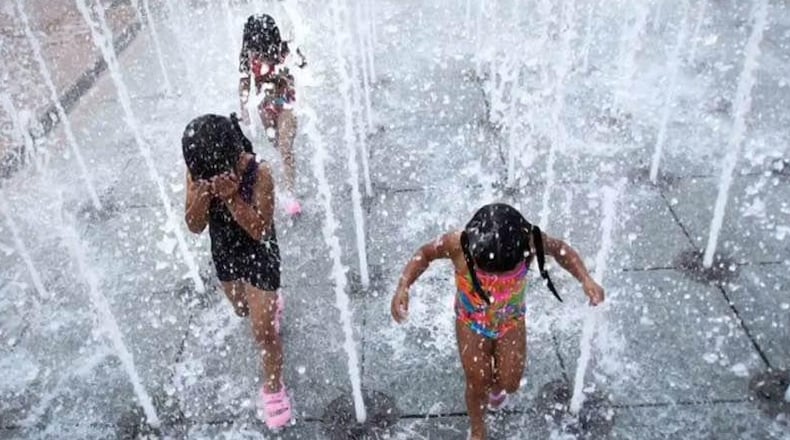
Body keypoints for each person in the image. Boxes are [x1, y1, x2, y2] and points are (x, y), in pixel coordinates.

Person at [390, 203, 605, 440]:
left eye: (505, 272)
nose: (496, 279)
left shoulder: (531, 241)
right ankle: (478, 428)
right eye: (490, 272)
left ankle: (496, 389)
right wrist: (404, 286)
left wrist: (586, 279)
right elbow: (425, 253)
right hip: (470, 322)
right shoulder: (458, 244)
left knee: (510, 382)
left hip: (510, 322)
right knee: (476, 382)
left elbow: (561, 250)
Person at [182, 113, 291, 429]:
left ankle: (273, 387)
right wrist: (202, 193)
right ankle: (265, 307)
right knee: (242, 309)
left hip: (260, 254)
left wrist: (231, 197)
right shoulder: (197, 175)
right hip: (225, 252)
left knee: (263, 332)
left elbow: (259, 230)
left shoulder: (260, 174)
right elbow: (194, 225)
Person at [238, 14, 306, 217]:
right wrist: (244, 108)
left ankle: (291, 195)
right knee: (276, 143)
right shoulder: (248, 55)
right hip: (264, 106)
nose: (260, 49)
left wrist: (295, 55)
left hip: (286, 103)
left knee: (285, 148)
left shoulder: (285, 49)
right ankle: (287, 173)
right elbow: (244, 82)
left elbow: (304, 66)